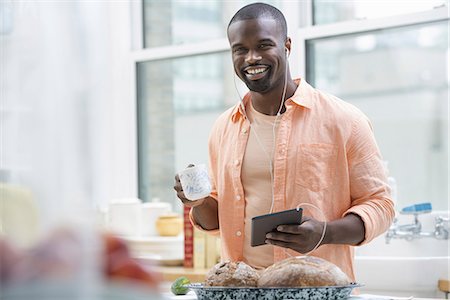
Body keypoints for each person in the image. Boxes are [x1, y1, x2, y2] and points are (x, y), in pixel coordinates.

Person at [174, 2, 394, 281]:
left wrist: (324, 233)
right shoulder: (223, 128)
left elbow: (381, 205)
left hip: (315, 290)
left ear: (286, 46)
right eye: (240, 49)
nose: (251, 58)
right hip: (241, 290)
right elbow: (219, 221)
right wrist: (199, 201)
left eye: (264, 45)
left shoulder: (344, 120)